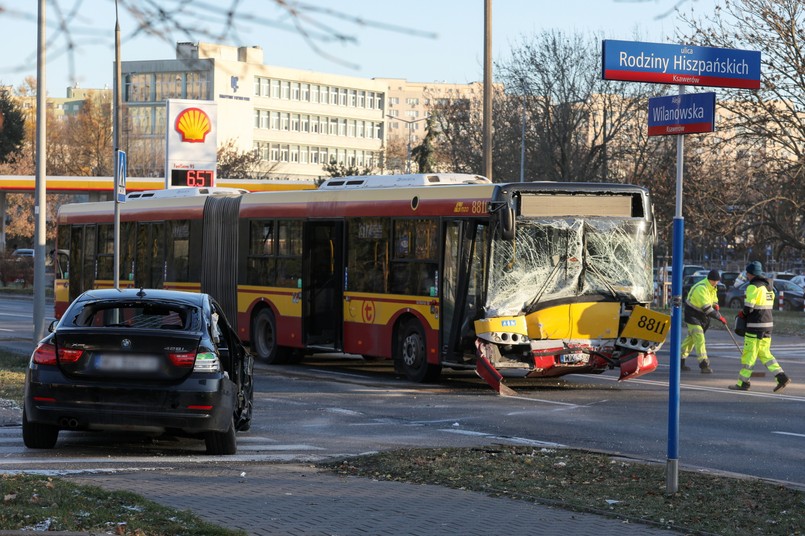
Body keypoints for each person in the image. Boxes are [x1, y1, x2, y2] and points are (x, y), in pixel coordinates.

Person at [729, 261, 791, 392]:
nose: (746, 275)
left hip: (754, 326)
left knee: (749, 356)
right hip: (767, 326)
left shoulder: (753, 287)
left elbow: (748, 307)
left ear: (751, 274)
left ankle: (743, 383)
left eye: (747, 273)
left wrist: (741, 314)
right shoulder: (769, 288)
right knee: (765, 354)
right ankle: (782, 377)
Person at [680, 269, 725, 373]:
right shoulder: (701, 288)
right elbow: (707, 308)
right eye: (715, 281)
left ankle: (679, 361)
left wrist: (715, 304)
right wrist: (719, 317)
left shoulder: (712, 287)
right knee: (699, 338)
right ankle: (704, 364)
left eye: (718, 281)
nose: (717, 283)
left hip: (702, 317)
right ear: (710, 280)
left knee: (690, 340)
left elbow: (713, 299)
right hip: (692, 315)